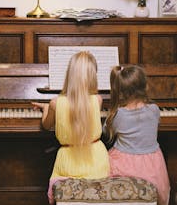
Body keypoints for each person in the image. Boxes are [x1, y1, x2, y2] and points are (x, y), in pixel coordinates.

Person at [32, 51, 110, 204]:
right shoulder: (98, 100)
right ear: (93, 76)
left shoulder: (55, 103)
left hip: (69, 165)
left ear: (69, 74)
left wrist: (46, 108)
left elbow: (46, 126)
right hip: (97, 162)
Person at [104, 65, 170, 205]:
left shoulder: (118, 114)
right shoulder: (154, 110)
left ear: (121, 91)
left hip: (123, 164)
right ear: (145, 86)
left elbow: (106, 131)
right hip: (152, 165)